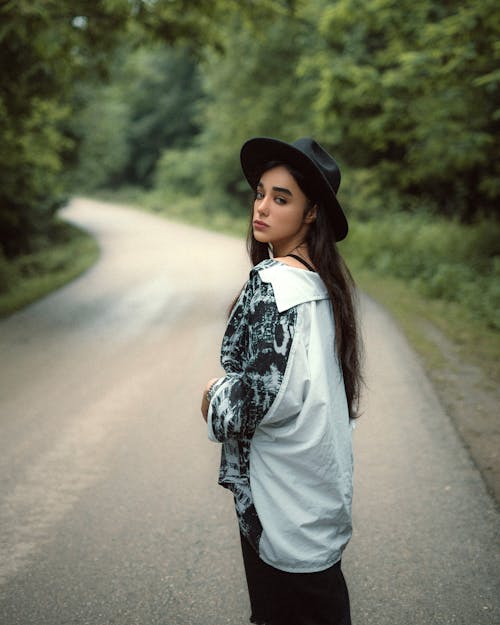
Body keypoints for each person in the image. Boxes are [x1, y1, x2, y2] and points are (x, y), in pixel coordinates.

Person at [201, 137, 363, 625]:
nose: (262, 207)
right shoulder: (322, 284)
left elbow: (251, 402)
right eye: (260, 193)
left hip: (280, 503)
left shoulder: (275, 287)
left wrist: (211, 394)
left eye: (282, 198)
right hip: (316, 496)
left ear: (312, 213)